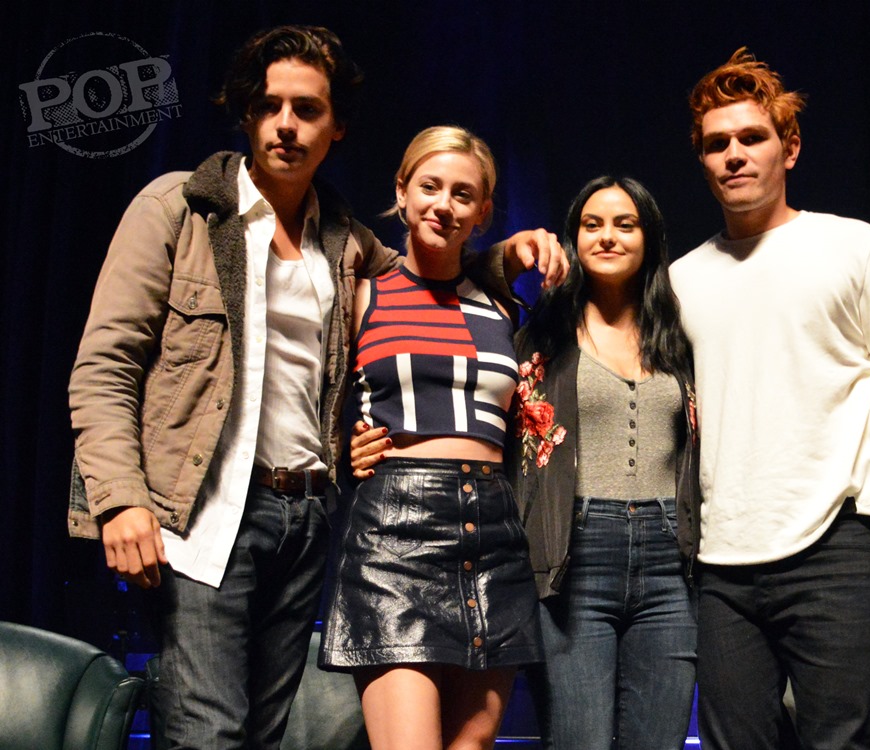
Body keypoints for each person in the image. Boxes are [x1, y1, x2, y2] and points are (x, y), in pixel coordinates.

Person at [67, 26, 565, 750]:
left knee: (264, 736)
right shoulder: (179, 207)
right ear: (246, 114)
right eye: (270, 106)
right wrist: (118, 498)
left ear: (336, 129)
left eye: (306, 110)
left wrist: (504, 259)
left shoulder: (346, 242)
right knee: (206, 734)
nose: (286, 125)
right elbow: (106, 365)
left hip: (304, 518)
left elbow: (434, 277)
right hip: (208, 512)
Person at [669, 48, 870, 749]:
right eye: (716, 144)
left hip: (834, 545)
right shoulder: (681, 279)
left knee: (838, 741)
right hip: (720, 560)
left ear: (790, 148)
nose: (734, 155)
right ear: (702, 162)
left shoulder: (850, 246)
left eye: (752, 137)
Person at [351, 175, 701, 750]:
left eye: (625, 224)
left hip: (669, 561)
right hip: (573, 557)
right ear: (572, 239)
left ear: (650, 238)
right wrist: (363, 439)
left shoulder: (682, 337)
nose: (607, 237)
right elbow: (463, 396)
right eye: (592, 224)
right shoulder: (537, 335)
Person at [318, 125, 543, 750]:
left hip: (495, 533)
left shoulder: (501, 306)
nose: (444, 204)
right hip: (395, 533)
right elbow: (313, 398)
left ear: (483, 212)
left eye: (462, 194)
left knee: (471, 746)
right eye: (430, 186)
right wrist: (342, 451)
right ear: (402, 191)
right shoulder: (362, 295)